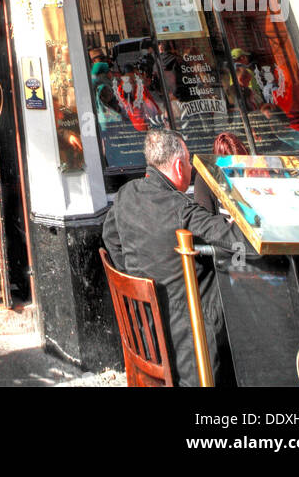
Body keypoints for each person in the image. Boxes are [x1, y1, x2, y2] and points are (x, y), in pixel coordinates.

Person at [102, 128, 246, 387]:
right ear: (179, 166)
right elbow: (236, 240)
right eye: (189, 161)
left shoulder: (125, 195)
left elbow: (110, 237)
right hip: (191, 345)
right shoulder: (181, 210)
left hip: (145, 331)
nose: (191, 168)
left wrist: (135, 279)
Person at [194, 132, 249, 214]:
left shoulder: (250, 172)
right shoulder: (205, 178)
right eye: (231, 171)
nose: (237, 175)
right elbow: (206, 218)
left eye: (240, 168)